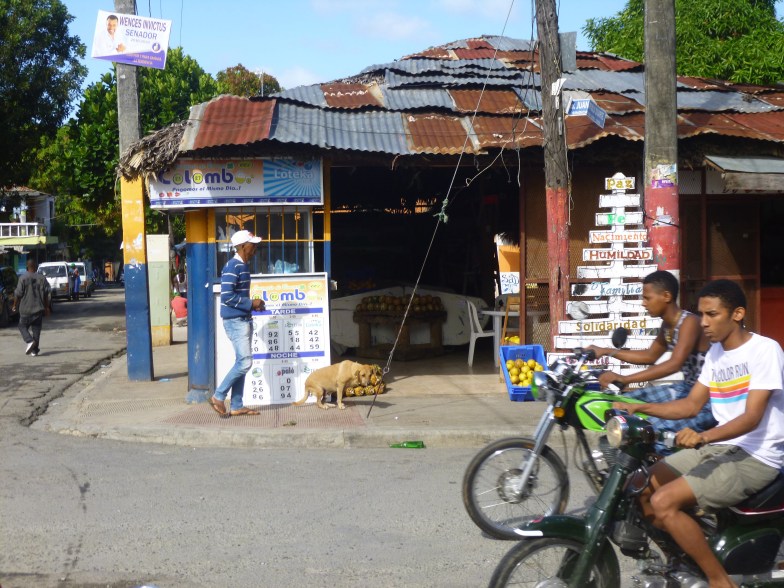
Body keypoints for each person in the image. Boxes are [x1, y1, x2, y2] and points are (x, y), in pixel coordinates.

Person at [618, 280, 784, 588]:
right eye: (701, 314)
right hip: (721, 448)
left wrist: (704, 437)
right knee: (638, 486)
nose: (704, 323)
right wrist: (637, 409)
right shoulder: (716, 355)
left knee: (665, 501)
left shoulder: (765, 350)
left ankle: (719, 580)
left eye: (712, 314)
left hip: (756, 456)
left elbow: (751, 417)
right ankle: (686, 557)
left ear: (737, 314)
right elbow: (691, 405)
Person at [588, 270, 716, 439]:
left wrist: (625, 379)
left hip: (705, 398)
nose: (643, 303)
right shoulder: (668, 325)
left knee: (650, 431)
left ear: (666, 296)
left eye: (647, 298)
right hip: (685, 389)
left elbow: (674, 364)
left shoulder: (689, 322)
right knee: (621, 405)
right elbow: (650, 356)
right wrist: (607, 351)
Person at [208, 230, 266, 417]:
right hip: (235, 321)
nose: (255, 249)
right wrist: (250, 303)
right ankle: (218, 396)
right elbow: (227, 297)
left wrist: (252, 307)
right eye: (252, 245)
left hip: (241, 318)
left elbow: (236, 297)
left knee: (242, 362)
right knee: (245, 362)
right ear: (242, 247)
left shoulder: (241, 266)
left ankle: (237, 405)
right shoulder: (233, 266)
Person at [13, 259, 51, 357]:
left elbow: (18, 294)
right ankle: (35, 350)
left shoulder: (22, 278)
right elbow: (46, 294)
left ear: (27, 266)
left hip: (25, 310)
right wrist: (47, 307)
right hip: (38, 309)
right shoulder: (42, 278)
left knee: (21, 326)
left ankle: (30, 341)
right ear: (36, 266)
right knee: (36, 330)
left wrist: (14, 305)